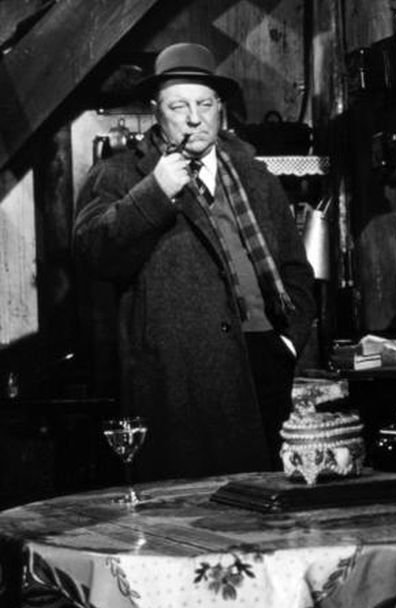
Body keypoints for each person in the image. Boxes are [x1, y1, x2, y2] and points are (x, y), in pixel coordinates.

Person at [73, 42, 316, 481]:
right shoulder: (119, 175)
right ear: (156, 112)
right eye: (178, 106)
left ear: (220, 108)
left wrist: (287, 342)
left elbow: (295, 270)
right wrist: (155, 192)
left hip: (262, 363)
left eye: (204, 104)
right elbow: (93, 253)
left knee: (267, 498)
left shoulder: (254, 175)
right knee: (190, 504)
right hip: (177, 377)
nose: (193, 118)